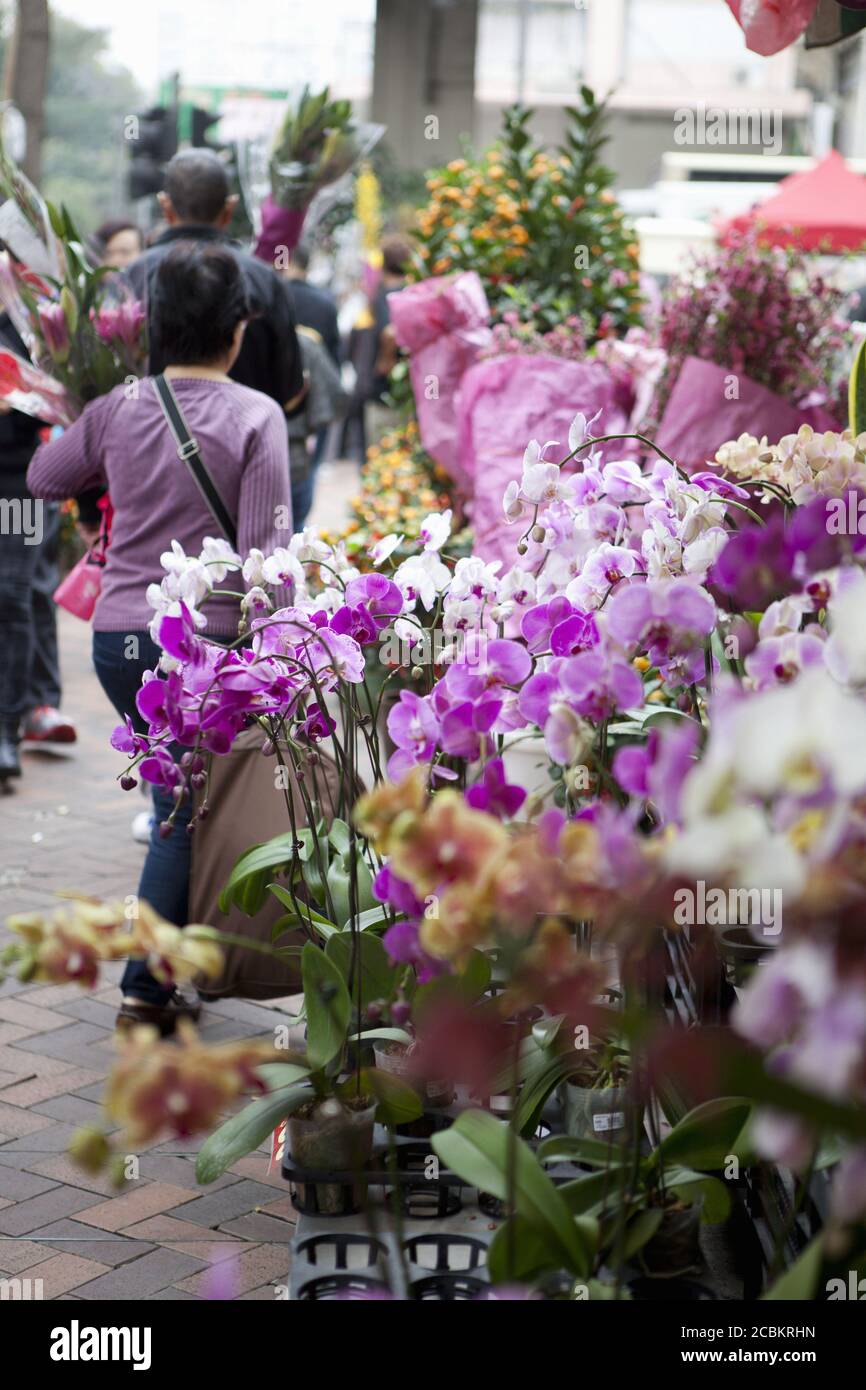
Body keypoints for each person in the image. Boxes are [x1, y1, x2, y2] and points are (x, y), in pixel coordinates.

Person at [28, 242, 293, 1035]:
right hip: (203, 649)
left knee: (174, 797)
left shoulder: (119, 407)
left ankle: (178, 963)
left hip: (120, 643)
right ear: (237, 330)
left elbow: (46, 479)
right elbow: (267, 560)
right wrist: (284, 651)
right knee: (183, 810)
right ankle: (147, 985)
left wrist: (105, 450)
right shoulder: (256, 416)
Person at [126, 150, 307, 418]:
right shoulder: (264, 281)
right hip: (246, 446)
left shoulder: (131, 280)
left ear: (166, 207)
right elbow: (288, 391)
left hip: (142, 447)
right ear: (229, 209)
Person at [0, 313, 77, 786]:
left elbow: (58, 397)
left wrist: (17, 398)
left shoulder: (25, 321)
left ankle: (8, 727)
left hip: (18, 482)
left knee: (14, 592)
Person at [366, 234, 412, 447]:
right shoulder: (413, 292)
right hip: (412, 388)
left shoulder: (384, 295)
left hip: (386, 390)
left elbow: (390, 332)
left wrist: (386, 360)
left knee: (384, 450)